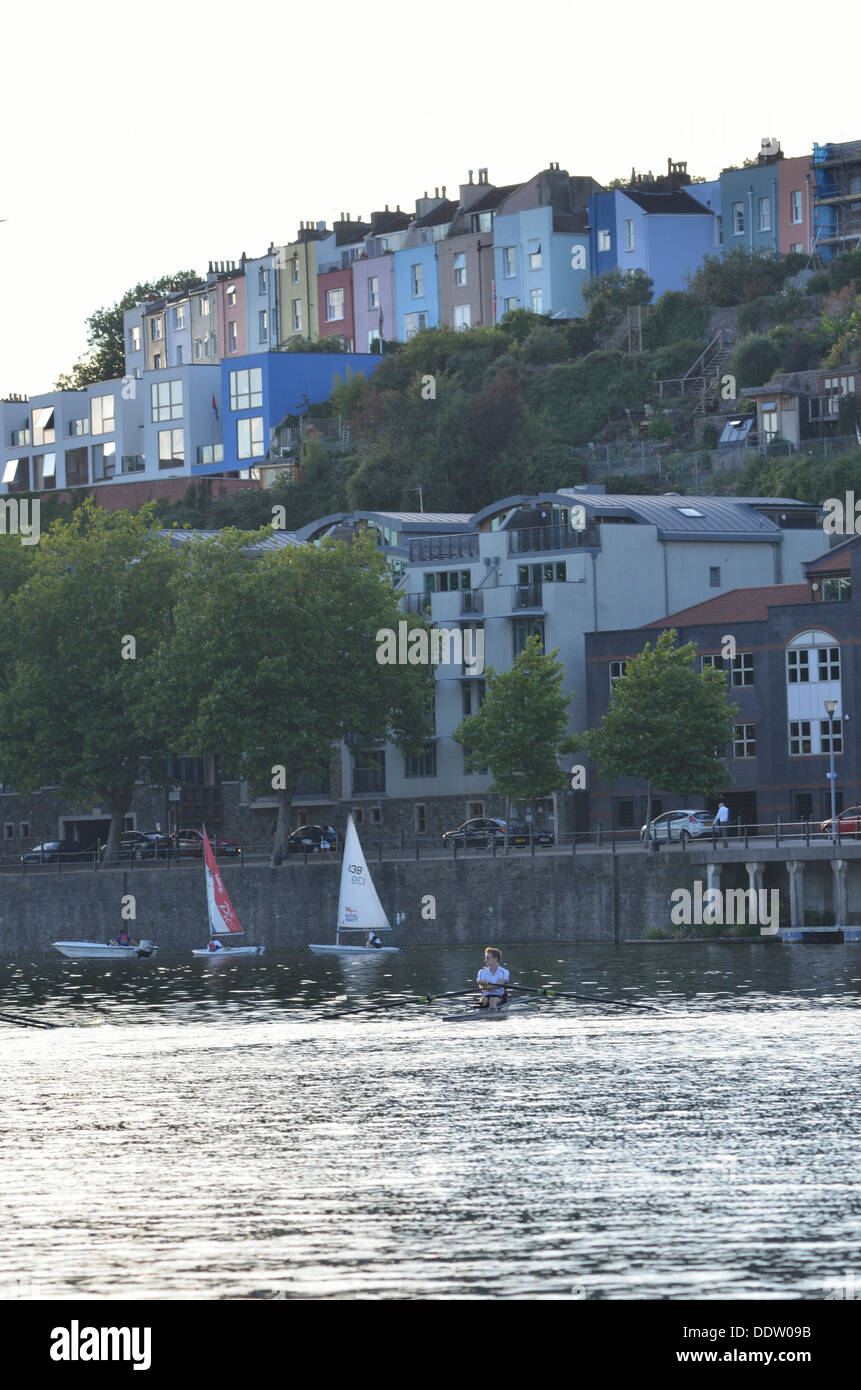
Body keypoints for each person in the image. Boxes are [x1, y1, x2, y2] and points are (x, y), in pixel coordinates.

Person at [477, 947, 510, 1011]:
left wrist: (486, 986)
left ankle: (493, 1017)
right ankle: (479, 1016)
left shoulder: (504, 972)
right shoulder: (481, 972)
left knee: (493, 999)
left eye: (488, 958)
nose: (485, 960)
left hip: (500, 997)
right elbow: (480, 983)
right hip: (485, 996)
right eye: (485, 958)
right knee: (482, 1001)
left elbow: (499, 985)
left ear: (495, 959)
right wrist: (492, 986)